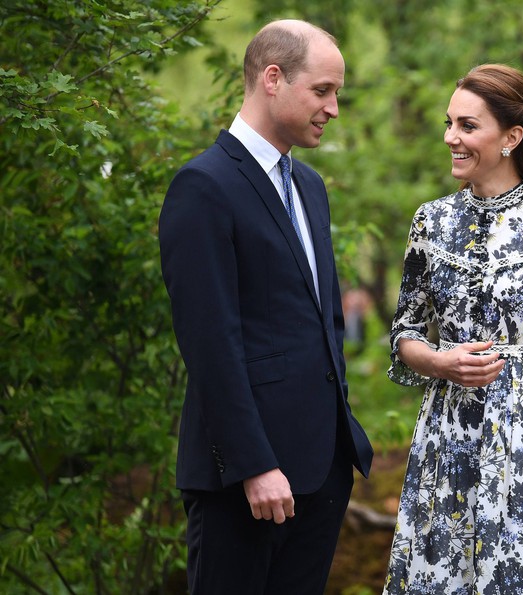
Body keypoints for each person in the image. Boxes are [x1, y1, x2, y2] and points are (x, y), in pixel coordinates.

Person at [159, 19, 373, 594]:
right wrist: (253, 464)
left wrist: (338, 447)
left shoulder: (310, 188)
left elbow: (323, 323)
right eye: (323, 91)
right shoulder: (202, 187)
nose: (333, 108)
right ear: (272, 79)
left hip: (321, 473)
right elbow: (210, 344)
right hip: (245, 482)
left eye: (337, 94)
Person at [383, 64, 523, 594]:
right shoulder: (430, 221)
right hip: (445, 441)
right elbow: (404, 333)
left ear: (511, 137)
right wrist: (439, 361)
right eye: (449, 123)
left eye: (467, 126)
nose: (450, 138)